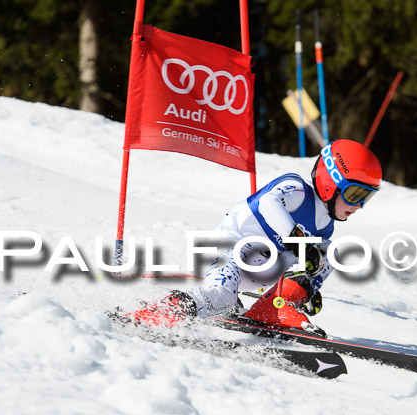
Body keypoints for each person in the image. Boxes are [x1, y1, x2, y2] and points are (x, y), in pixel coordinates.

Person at [129, 139, 382, 332]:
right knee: (221, 299)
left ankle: (271, 311)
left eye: (366, 198)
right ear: (331, 181)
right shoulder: (296, 189)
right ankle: (162, 312)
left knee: (328, 253)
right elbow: (269, 203)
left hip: (264, 267)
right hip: (229, 252)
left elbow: (311, 263)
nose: (359, 206)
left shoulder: (325, 225)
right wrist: (296, 239)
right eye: (355, 195)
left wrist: (306, 289)